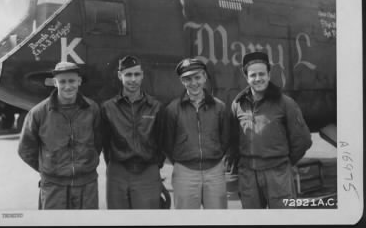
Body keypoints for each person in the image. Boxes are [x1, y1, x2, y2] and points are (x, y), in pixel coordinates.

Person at [229, 51, 312, 209]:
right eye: (253, 75)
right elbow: (233, 139)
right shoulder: (238, 104)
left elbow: (303, 140)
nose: (258, 78)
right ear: (246, 77)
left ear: (269, 74)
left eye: (262, 74)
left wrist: (284, 163)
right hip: (248, 176)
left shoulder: (286, 103)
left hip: (278, 174)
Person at [18, 61, 102, 209]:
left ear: (79, 81)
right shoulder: (38, 113)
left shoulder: (92, 109)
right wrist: (49, 168)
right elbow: (25, 149)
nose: (68, 86)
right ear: (55, 83)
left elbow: (98, 142)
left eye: (72, 81)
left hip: (86, 186)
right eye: (62, 81)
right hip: (53, 187)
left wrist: (86, 163)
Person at [100, 55, 165, 209]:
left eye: (137, 74)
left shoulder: (156, 107)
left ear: (142, 76)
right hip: (118, 171)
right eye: (128, 75)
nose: (133, 80)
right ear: (119, 76)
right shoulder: (108, 108)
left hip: (147, 170)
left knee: (147, 220)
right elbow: (104, 143)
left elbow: (162, 141)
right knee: (118, 220)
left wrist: (153, 165)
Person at [163, 58, 229, 209]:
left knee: (217, 220)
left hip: (214, 172)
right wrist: (183, 161)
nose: (193, 83)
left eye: (197, 77)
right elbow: (167, 143)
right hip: (185, 172)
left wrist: (214, 156)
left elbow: (225, 139)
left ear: (205, 77)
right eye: (187, 79)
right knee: (186, 221)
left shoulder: (219, 107)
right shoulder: (173, 109)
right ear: (181, 80)